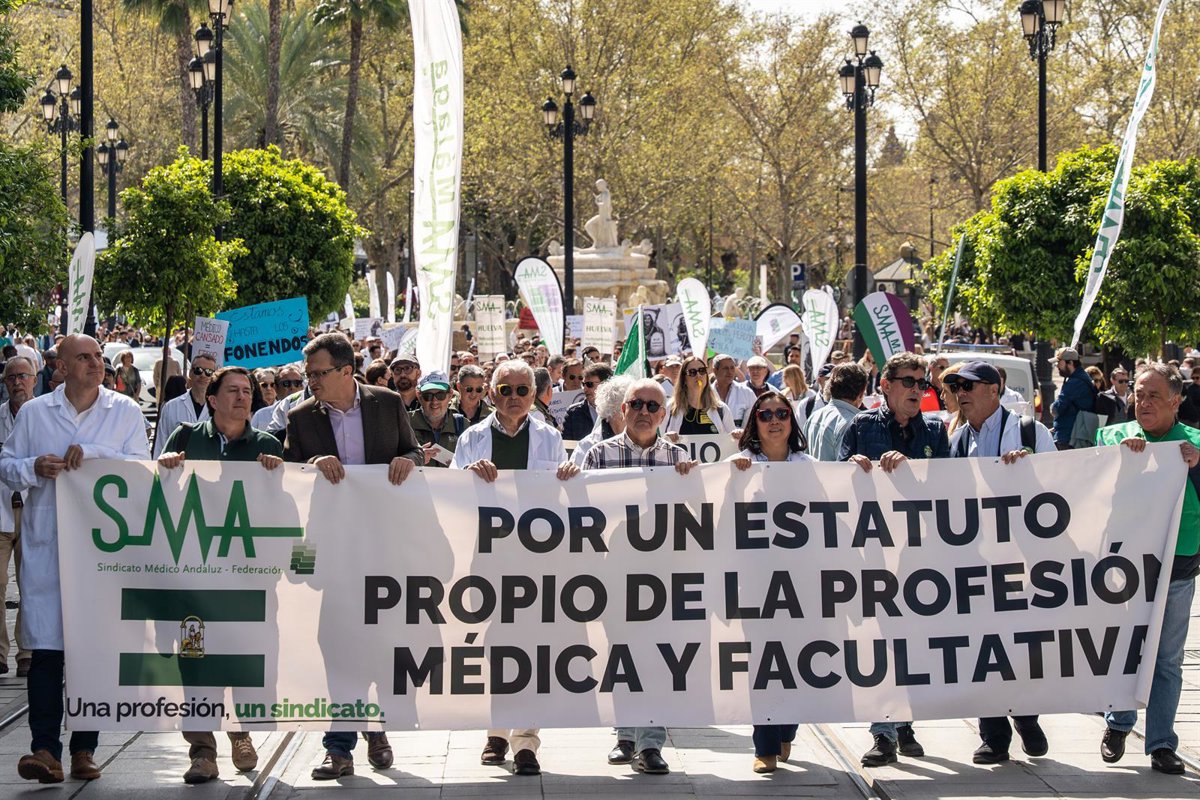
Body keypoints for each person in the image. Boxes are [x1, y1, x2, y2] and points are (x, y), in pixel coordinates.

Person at [0, 335, 149, 784]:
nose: (96, 363)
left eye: (99, 356)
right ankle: (45, 749)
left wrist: (97, 456)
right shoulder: (35, 413)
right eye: (84, 357)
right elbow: (6, 465)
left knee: (92, 650)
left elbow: (141, 470)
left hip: (102, 553)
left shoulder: (124, 412)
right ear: (61, 367)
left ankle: (85, 749)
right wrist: (32, 468)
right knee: (46, 652)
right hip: (49, 548)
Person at [284, 333, 423, 780]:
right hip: (334, 555)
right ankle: (339, 748)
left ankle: (375, 727)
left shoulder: (387, 403)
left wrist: (409, 461)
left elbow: (413, 450)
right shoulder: (300, 417)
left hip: (384, 551)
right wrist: (311, 466)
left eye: (318, 373)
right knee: (338, 649)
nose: (311, 382)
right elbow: (289, 479)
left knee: (380, 647)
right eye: (307, 374)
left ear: (346, 371)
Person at [451, 360, 579, 776]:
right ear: (491, 394)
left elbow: (562, 499)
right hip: (487, 559)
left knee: (532, 648)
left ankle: (525, 740)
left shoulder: (550, 438)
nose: (513, 398)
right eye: (505, 390)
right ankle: (495, 733)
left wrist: (568, 476)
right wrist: (466, 476)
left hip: (535, 560)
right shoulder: (471, 439)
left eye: (522, 390)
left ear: (534, 395)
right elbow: (450, 494)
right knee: (493, 648)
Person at [157, 366, 284, 783]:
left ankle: (240, 733)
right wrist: (165, 469)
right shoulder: (186, 439)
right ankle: (202, 751)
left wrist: (276, 476)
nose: (243, 397)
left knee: (241, 657)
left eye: (247, 391)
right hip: (195, 578)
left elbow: (286, 507)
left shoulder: (267, 445)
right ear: (212, 400)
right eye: (233, 391)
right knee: (195, 662)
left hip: (247, 578)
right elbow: (158, 497)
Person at [581, 378, 696, 776]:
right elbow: (583, 513)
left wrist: (692, 483)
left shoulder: (678, 459)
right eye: (637, 404)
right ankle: (624, 736)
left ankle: (650, 744)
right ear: (623, 410)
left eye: (652, 406)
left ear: (663, 414)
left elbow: (697, 516)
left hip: (662, 577)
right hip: (614, 574)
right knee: (622, 657)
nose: (644, 412)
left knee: (657, 657)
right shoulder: (598, 455)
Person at [840, 351, 950, 767]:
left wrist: (913, 469)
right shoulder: (861, 427)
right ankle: (883, 733)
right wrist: (850, 466)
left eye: (922, 383)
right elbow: (832, 486)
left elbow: (949, 487)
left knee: (912, 644)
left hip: (919, 557)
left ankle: (904, 724)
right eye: (908, 382)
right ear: (885, 386)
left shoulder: (935, 431)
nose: (917, 390)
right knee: (881, 643)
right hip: (873, 556)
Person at [943, 362, 1054, 764]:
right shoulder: (957, 441)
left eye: (969, 386)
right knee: (981, 648)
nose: (961, 393)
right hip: (975, 561)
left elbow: (1061, 486)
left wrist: (1030, 470)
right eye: (956, 387)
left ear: (995, 390)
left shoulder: (1030, 432)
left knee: (1019, 647)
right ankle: (993, 735)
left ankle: (1026, 716)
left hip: (1021, 562)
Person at [1097, 363, 1199, 776]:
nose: (1144, 403)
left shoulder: (1195, 443)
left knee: (1167, 661)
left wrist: (1198, 466)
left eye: (1154, 395)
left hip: (1178, 567)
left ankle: (1160, 744)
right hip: (1126, 570)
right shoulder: (1113, 437)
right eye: (1139, 395)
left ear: (1176, 401)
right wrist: (1117, 461)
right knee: (1125, 650)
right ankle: (1119, 723)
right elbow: (1085, 487)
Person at [727, 391, 813, 773]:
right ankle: (764, 746)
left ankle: (786, 729)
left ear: (792, 420)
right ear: (755, 422)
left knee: (797, 659)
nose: (775, 420)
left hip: (803, 581)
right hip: (756, 581)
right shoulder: (739, 464)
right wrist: (733, 476)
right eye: (765, 414)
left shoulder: (810, 466)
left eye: (782, 413)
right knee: (763, 662)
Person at [0, 357, 35, 678]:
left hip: (33, 510)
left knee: (31, 582)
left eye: (23, 376)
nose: (17, 382)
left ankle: (27, 652)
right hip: (1, 511)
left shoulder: (42, 416)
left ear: (34, 379)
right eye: (11, 377)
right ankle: (0, 653)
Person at [153, 354, 216, 457]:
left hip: (210, 465)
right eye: (198, 370)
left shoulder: (221, 408)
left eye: (209, 372)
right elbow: (160, 444)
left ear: (213, 377)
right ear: (190, 373)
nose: (203, 375)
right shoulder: (171, 407)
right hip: (177, 465)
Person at [804, 362, 868, 461]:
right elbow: (847, 467)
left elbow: (805, 459)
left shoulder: (813, 417)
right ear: (861, 392)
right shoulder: (852, 424)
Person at [663, 355, 734, 436]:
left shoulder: (721, 409)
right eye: (692, 372)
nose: (698, 375)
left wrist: (737, 435)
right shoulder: (670, 408)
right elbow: (659, 439)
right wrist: (667, 438)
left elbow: (733, 440)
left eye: (702, 370)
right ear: (684, 379)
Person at [570, 375, 633, 466]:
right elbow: (576, 473)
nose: (641, 412)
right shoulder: (587, 446)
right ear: (619, 411)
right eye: (634, 406)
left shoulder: (643, 441)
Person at [409, 371, 466, 467]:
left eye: (440, 395)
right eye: (428, 396)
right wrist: (415, 458)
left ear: (450, 395)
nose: (434, 401)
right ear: (419, 396)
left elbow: (472, 460)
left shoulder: (463, 424)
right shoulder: (405, 422)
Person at [1049, 346, 1096, 449]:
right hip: (1075, 436)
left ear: (1070, 363)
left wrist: (1052, 407)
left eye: (1059, 362)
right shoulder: (1082, 378)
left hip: (1069, 438)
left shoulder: (1075, 382)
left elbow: (1058, 408)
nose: (1057, 366)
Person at [562, 363, 613, 441]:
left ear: (605, 384)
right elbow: (567, 444)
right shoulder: (574, 413)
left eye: (589, 384)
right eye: (583, 384)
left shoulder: (617, 411)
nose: (585, 389)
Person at [712, 354, 756, 427]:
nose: (730, 372)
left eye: (732, 368)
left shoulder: (747, 393)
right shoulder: (706, 394)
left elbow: (752, 422)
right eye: (725, 368)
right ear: (715, 370)